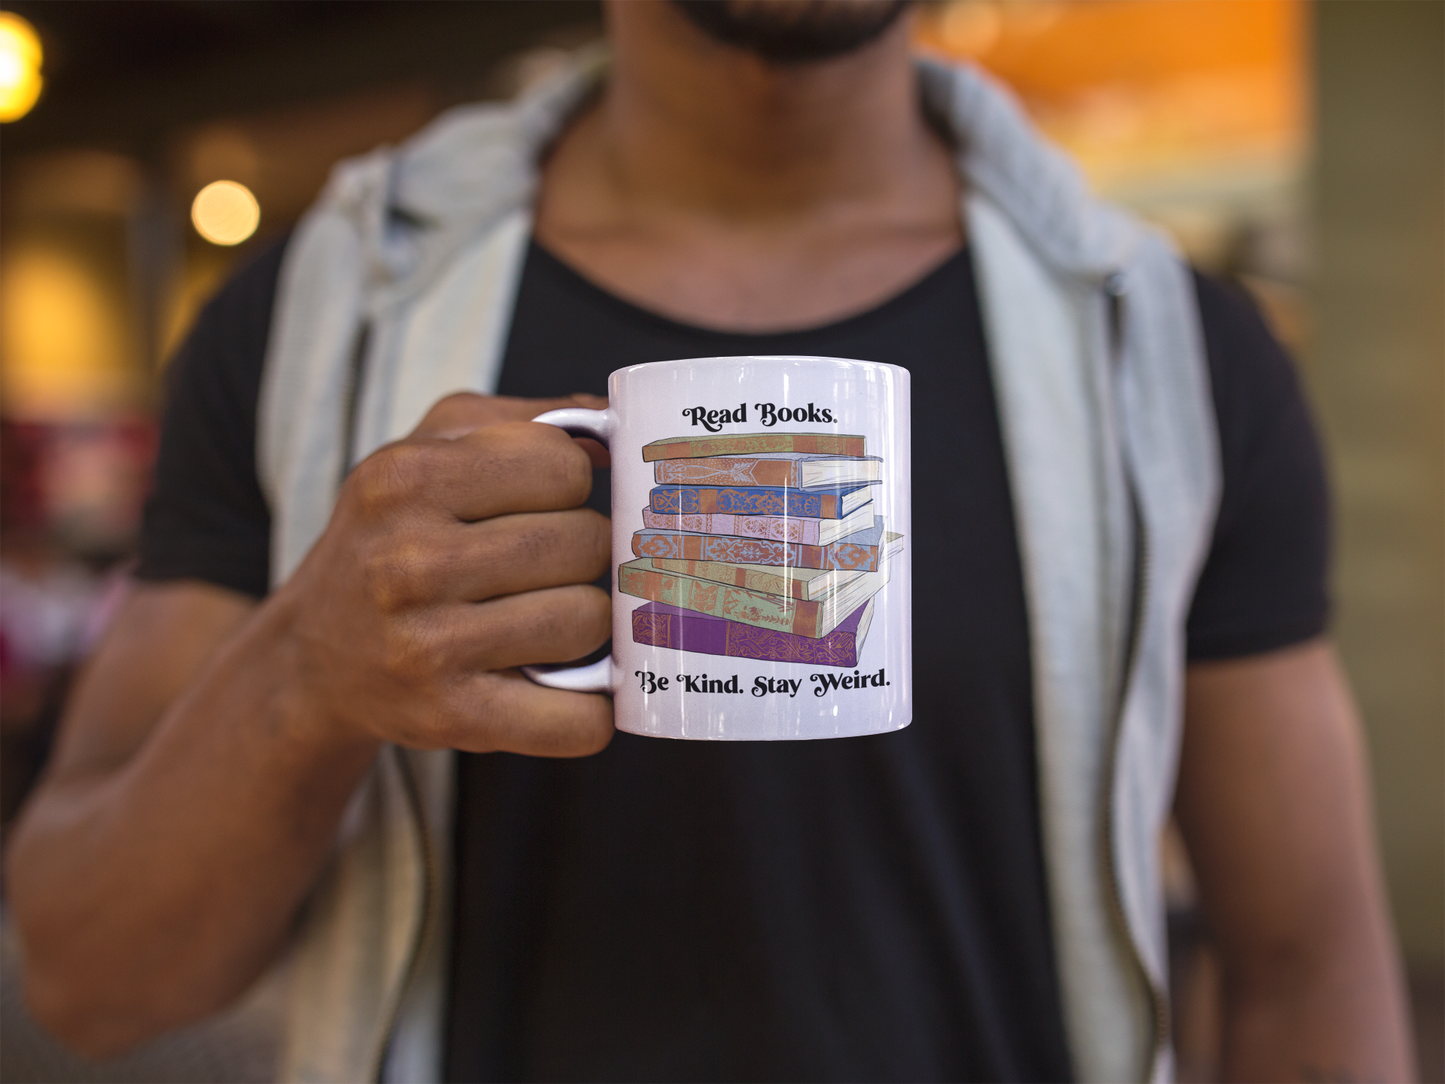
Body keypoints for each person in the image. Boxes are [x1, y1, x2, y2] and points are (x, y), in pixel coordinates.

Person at [3, 2, 1417, 1082]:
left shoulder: (1167, 352)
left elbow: (1307, 970)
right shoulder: (318, 324)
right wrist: (303, 673)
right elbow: (88, 980)